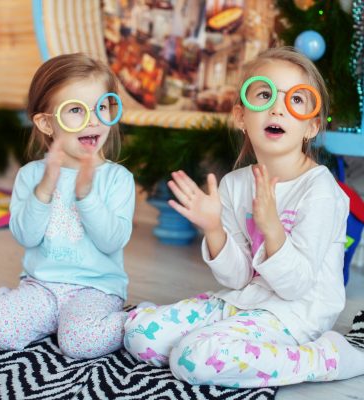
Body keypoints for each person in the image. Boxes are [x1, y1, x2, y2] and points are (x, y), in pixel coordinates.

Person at [124, 46, 364, 387]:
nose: (278, 108)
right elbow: (237, 279)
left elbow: (297, 286)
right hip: (244, 300)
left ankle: (325, 358)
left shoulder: (322, 190)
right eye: (265, 95)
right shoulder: (235, 184)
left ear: (312, 126)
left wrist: (272, 229)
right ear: (241, 117)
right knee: (140, 335)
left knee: (193, 359)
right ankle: (219, 338)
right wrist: (213, 230)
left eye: (296, 100)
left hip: (296, 313)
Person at [0, 53, 135, 359]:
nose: (94, 119)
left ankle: (138, 320)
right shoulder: (31, 175)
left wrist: (87, 197)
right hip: (41, 287)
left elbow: (112, 241)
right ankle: (47, 317)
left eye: (102, 106)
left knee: (79, 343)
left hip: (95, 290)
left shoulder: (117, 178)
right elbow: (26, 236)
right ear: (47, 124)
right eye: (76, 109)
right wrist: (44, 189)